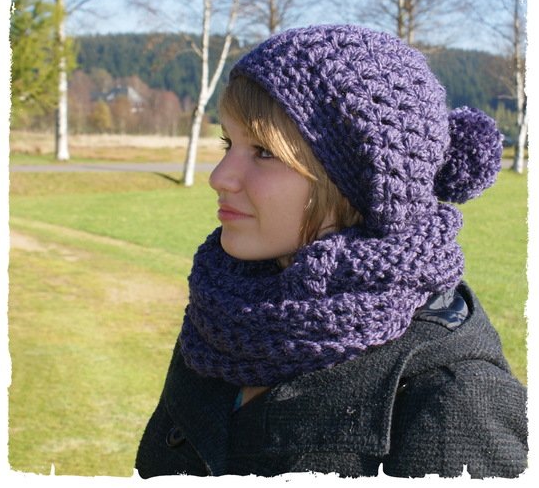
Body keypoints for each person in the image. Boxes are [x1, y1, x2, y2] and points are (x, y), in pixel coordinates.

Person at [135, 25, 527, 478]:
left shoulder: (454, 399)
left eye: (263, 151)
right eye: (228, 143)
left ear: (358, 181)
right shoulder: (224, 317)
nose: (219, 177)